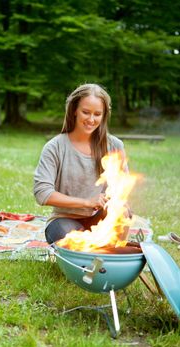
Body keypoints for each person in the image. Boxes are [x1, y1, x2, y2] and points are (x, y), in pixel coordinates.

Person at [34, 83, 129, 244]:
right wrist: (87, 202)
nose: (91, 120)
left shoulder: (114, 146)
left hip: (101, 218)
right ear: (74, 111)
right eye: (86, 112)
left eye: (97, 114)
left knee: (123, 214)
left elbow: (123, 189)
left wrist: (117, 203)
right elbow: (42, 193)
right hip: (64, 220)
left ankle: (107, 251)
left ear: (104, 115)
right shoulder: (55, 147)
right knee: (77, 243)